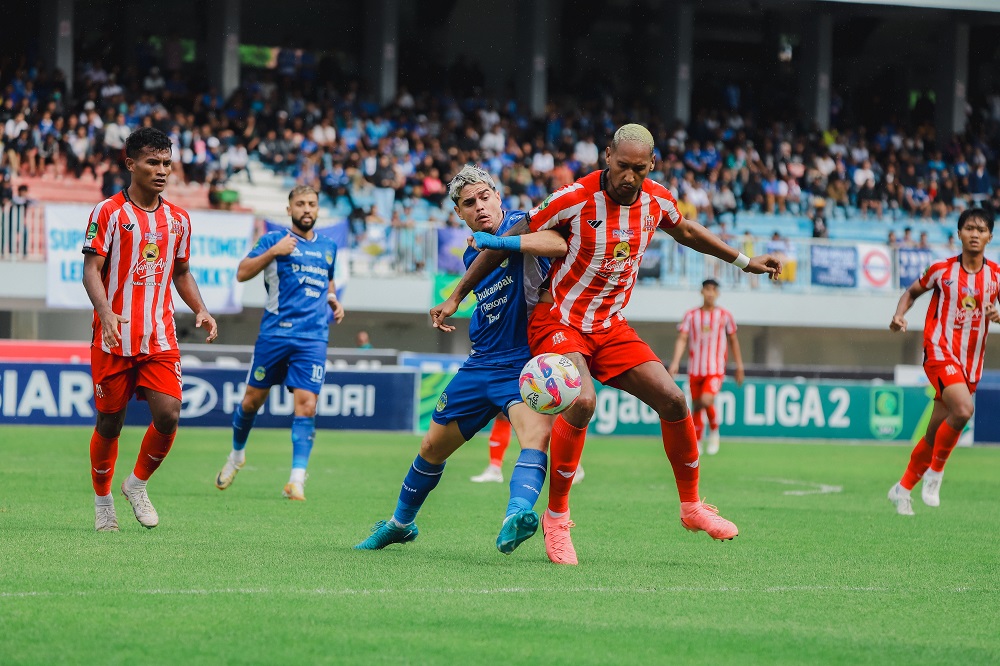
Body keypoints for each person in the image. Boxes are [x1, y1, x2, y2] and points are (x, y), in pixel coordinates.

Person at [433, 124, 781, 565]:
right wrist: (457, 294)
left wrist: (746, 262)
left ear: (651, 165)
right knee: (581, 402)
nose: (629, 177)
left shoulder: (657, 199)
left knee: (674, 399)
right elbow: (511, 242)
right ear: (607, 157)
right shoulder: (574, 197)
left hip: (611, 325)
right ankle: (556, 519)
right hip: (558, 318)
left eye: (639, 169)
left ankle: (692, 507)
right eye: (621, 167)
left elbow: (688, 232)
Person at [355, 164, 568, 554]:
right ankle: (400, 524)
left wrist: (494, 255)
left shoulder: (523, 224)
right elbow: (480, 273)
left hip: (524, 363)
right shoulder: (472, 251)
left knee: (535, 438)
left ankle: (515, 516)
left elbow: (559, 244)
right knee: (431, 448)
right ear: (459, 214)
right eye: (469, 203)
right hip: (479, 364)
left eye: (485, 197)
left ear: (498, 196)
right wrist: (455, 297)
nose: (479, 207)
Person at [82, 127, 218, 532]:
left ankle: (136, 484)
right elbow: (91, 269)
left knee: (170, 413)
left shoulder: (178, 220)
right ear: (130, 163)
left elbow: (182, 272)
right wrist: (105, 312)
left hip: (159, 336)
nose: (161, 171)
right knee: (110, 424)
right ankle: (103, 499)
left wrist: (201, 308)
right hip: (113, 335)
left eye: (166, 163)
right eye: (152, 162)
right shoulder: (108, 212)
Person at [214, 186, 345, 501]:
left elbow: (328, 279)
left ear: (317, 209)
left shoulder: (328, 246)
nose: (306, 209)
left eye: (312, 204)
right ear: (289, 210)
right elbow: (242, 273)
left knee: (307, 404)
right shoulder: (274, 241)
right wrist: (274, 252)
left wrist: (332, 298)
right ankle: (236, 456)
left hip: (312, 338)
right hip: (275, 335)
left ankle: (296, 480)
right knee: (250, 402)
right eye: (300, 204)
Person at [887, 208, 1000, 515]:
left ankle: (902, 488)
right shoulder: (942, 270)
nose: (975, 234)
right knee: (964, 410)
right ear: (959, 234)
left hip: (970, 363)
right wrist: (899, 314)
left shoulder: (996, 277)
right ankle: (935, 473)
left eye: (981, 229)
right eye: (969, 228)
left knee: (934, 431)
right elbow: (911, 292)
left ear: (990, 236)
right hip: (939, 350)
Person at [668, 279, 745, 455]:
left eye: (713, 290)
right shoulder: (691, 315)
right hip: (695, 369)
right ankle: (698, 441)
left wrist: (739, 366)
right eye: (707, 289)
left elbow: (733, 340)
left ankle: (714, 431)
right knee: (696, 406)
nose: (710, 293)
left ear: (717, 294)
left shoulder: (725, 316)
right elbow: (682, 339)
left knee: (705, 400)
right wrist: (675, 362)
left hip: (715, 369)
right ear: (701, 292)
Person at [469, 413, 586, 485]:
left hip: (546, 375)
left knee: (554, 409)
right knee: (501, 410)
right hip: (518, 373)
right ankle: (494, 468)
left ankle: (574, 466)